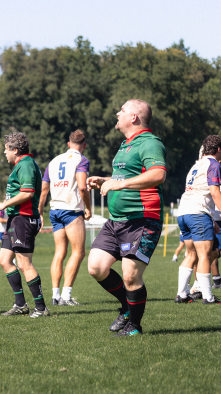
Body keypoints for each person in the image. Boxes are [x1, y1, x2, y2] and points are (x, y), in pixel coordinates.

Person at [86, 99, 167, 337]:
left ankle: (134, 326)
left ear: (133, 117)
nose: (117, 114)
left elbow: (158, 174)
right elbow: (125, 177)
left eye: (122, 110)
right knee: (96, 267)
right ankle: (126, 307)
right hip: (116, 220)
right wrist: (105, 180)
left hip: (142, 218)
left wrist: (119, 184)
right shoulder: (125, 144)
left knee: (131, 275)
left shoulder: (150, 143)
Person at [0, 132, 47, 318]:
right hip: (15, 218)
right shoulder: (21, 164)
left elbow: (28, 192)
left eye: (6, 149)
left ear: (15, 150)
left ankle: (41, 308)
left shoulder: (26, 164)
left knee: (24, 263)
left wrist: (4, 204)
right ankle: (21, 305)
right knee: (4, 260)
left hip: (24, 218)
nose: (4, 153)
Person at [38, 129, 92, 306]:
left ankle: (55, 296)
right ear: (84, 145)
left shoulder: (53, 161)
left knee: (60, 252)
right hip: (71, 210)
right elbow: (82, 188)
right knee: (78, 252)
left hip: (55, 210)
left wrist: (40, 212)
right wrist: (88, 208)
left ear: (68, 144)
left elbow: (44, 190)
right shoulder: (81, 160)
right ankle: (66, 297)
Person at [173, 136, 221, 304]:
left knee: (191, 254)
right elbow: (214, 192)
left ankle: (181, 294)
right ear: (219, 149)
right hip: (198, 214)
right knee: (204, 255)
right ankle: (208, 297)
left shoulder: (196, 165)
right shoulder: (214, 164)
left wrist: (211, 221)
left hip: (184, 213)